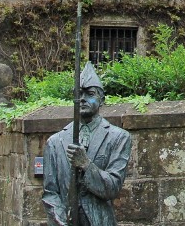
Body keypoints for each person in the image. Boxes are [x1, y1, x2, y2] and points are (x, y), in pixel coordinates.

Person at [42, 62, 132, 226]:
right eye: (78, 94)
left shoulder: (118, 138)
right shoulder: (55, 142)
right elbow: (50, 193)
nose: (82, 99)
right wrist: (60, 221)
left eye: (89, 94)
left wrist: (86, 164)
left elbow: (113, 187)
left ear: (101, 99)